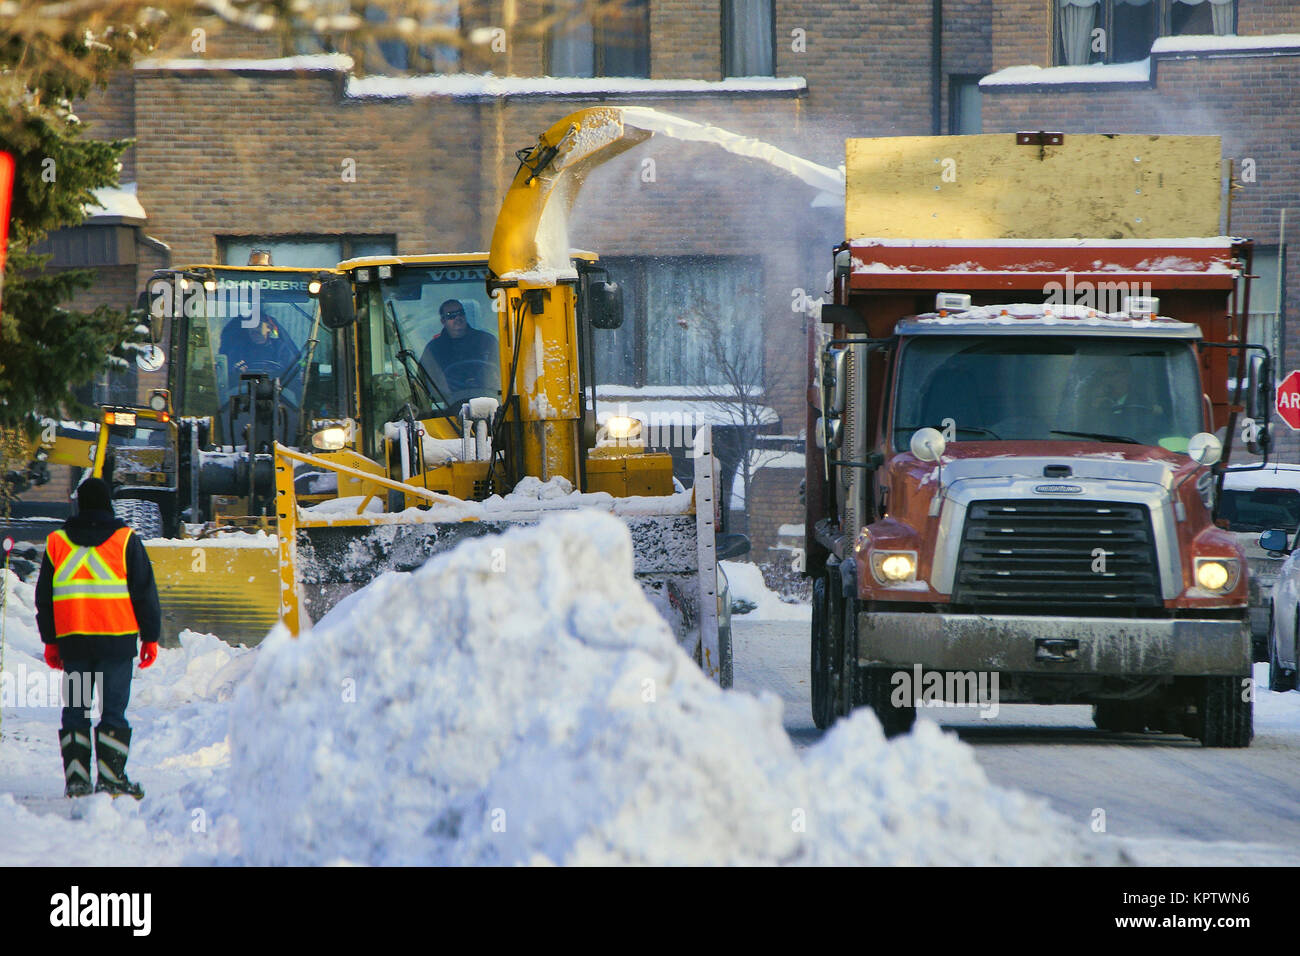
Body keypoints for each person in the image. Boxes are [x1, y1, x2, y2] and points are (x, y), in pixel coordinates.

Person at [36, 478, 161, 799]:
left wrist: (50, 640)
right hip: (116, 644)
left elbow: (45, 599)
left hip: (74, 644)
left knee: (76, 709)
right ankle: (112, 780)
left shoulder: (57, 543)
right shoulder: (124, 540)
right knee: (113, 712)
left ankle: (77, 781)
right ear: (109, 503)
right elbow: (144, 592)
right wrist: (150, 637)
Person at [419, 298, 499, 396]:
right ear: (443, 321)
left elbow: (501, 374)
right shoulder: (432, 349)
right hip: (448, 405)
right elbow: (425, 383)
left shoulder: (487, 341)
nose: (457, 318)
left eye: (460, 313)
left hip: (488, 401)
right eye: (451, 315)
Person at [220, 313, 299, 389]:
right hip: (244, 392)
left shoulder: (281, 348)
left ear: (269, 327)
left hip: (278, 393)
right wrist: (236, 371)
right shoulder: (238, 349)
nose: (254, 329)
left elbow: (293, 373)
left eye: (258, 325)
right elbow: (227, 374)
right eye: (250, 325)